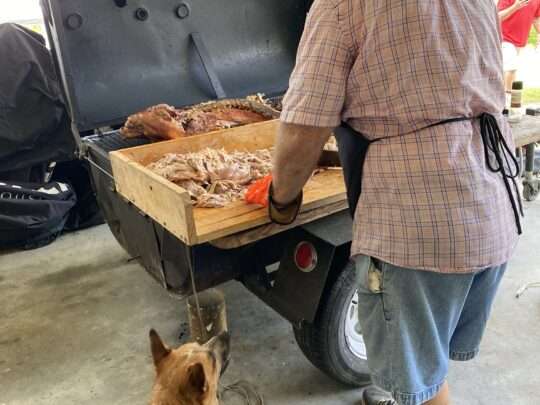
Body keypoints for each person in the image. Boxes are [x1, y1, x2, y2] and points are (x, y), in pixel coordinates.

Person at [268, 1, 522, 404]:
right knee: (429, 359)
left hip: (417, 231)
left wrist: (281, 199)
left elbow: (303, 129)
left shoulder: (341, 6)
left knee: (420, 382)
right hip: (494, 204)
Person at [498, 0, 540, 92]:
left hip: (521, 42)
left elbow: (536, 19)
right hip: (505, 39)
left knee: (512, 70)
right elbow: (498, 17)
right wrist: (515, 6)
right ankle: (507, 96)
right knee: (511, 68)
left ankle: (509, 96)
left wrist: (539, 33)